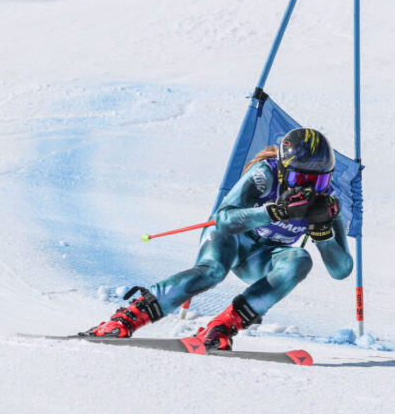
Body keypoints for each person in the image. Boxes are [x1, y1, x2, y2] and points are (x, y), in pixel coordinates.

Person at [83, 127, 354, 350]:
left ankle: (222, 326)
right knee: (212, 271)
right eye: (298, 177)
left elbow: (341, 270)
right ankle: (126, 319)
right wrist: (275, 211)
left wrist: (323, 235)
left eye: (317, 182)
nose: (307, 188)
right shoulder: (264, 175)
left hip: (263, 256)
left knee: (300, 259)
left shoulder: (328, 202)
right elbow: (223, 219)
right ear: (283, 170)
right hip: (231, 240)